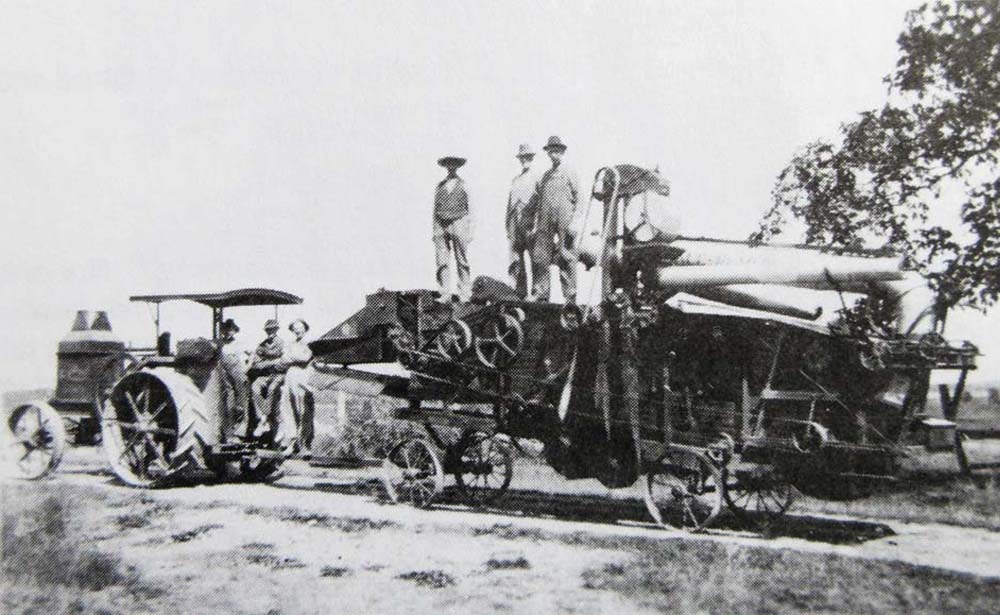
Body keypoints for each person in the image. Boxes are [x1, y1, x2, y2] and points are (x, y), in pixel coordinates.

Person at [533, 136, 580, 301]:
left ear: (562, 152)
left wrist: (574, 222)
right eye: (552, 151)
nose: (555, 154)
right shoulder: (545, 176)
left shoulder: (569, 172)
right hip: (545, 220)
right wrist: (536, 224)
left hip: (565, 220)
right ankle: (541, 294)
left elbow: (579, 197)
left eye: (558, 151)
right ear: (548, 153)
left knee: (566, 256)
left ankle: (570, 297)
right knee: (541, 256)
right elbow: (539, 201)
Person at [433, 155, 473, 301]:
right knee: (442, 260)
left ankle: (465, 293)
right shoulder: (440, 186)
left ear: (457, 166)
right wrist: (435, 230)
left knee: (462, 259)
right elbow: (435, 209)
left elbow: (471, 209)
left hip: (459, 222)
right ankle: (444, 293)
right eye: (448, 164)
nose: (451, 167)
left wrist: (470, 230)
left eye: (454, 164)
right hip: (441, 224)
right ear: (445, 166)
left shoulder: (464, 184)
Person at [506, 143, 541, 298]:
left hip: (530, 221)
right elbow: (510, 203)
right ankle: (519, 292)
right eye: (522, 158)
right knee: (515, 259)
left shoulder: (538, 178)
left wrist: (537, 223)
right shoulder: (515, 180)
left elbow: (541, 203)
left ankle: (536, 292)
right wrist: (508, 225)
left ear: (531, 158)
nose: (524, 160)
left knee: (535, 259)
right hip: (515, 221)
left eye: (527, 157)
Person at [276, 319, 314, 455]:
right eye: (295, 328)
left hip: (304, 377)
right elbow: (283, 360)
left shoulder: (310, 343)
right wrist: (292, 358)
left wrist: (291, 357)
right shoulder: (290, 344)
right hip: (290, 376)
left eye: (300, 327)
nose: (298, 330)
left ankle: (305, 445)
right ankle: (291, 444)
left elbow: (306, 358)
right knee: (289, 409)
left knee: (304, 411)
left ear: (305, 328)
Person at [250, 319, 284, 438]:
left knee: (272, 390)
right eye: (268, 330)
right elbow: (256, 364)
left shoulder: (282, 344)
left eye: (273, 329)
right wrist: (273, 362)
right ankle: (262, 419)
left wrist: (267, 362)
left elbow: (283, 363)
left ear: (277, 330)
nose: (271, 332)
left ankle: (264, 419)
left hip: (278, 375)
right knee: (254, 387)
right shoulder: (262, 345)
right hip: (264, 375)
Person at [217, 318, 249, 440]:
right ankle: (228, 432)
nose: (229, 332)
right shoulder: (220, 343)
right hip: (225, 374)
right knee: (229, 403)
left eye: (231, 330)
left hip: (238, 372)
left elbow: (251, 355)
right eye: (227, 329)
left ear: (235, 331)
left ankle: (241, 432)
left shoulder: (240, 344)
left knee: (241, 402)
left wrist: (246, 368)